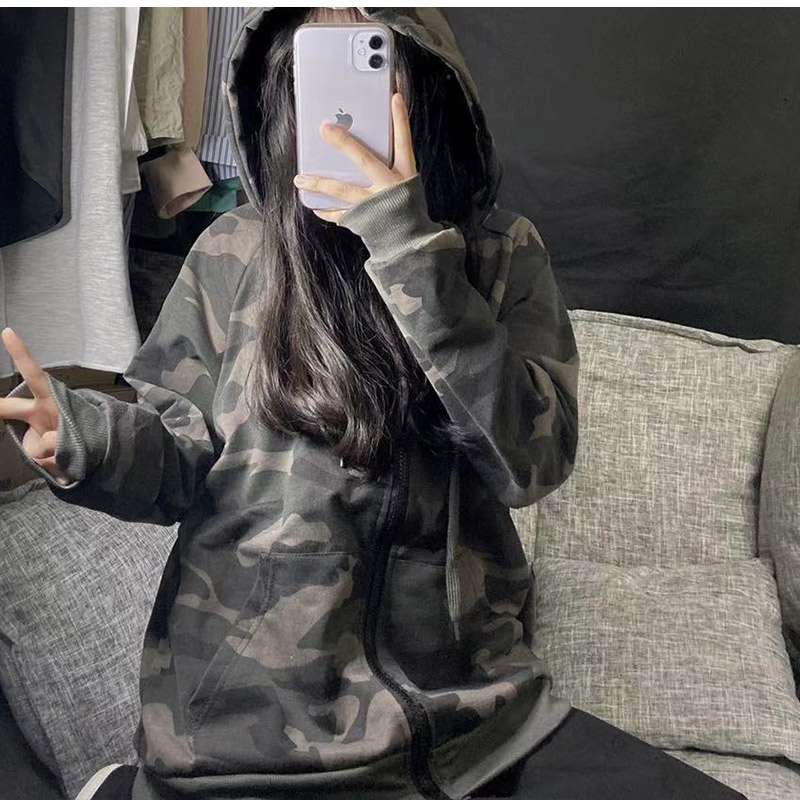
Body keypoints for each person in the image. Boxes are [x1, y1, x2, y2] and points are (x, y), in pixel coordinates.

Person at [0, 7, 748, 800]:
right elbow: (179, 456)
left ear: (425, 86)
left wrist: (407, 244)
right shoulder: (233, 251)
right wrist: (86, 438)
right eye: (311, 73)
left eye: (370, 60)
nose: (338, 106)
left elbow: (531, 463)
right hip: (242, 741)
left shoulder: (501, 252)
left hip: (465, 729)